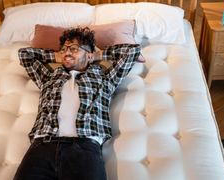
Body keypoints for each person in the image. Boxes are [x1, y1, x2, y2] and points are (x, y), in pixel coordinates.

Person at [14, 27, 141, 180]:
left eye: (73, 49)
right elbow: (24, 54)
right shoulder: (49, 77)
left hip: (84, 147)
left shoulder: (104, 79)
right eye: (64, 49)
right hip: (42, 145)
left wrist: (95, 56)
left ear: (88, 55)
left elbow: (132, 51)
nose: (67, 52)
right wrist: (57, 56)